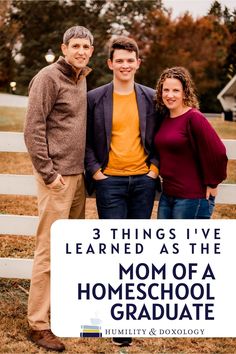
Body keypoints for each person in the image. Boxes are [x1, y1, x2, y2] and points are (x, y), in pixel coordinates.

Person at [85, 36, 159, 345]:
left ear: (138, 63)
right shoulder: (95, 98)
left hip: (143, 181)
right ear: (110, 64)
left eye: (131, 60)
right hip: (110, 183)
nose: (125, 65)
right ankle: (115, 320)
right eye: (120, 60)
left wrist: (154, 168)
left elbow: (162, 137)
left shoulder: (152, 98)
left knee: (138, 250)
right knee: (115, 250)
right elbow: (85, 139)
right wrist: (96, 172)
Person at [24, 26, 94, 352]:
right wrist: (49, 174)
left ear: (91, 51)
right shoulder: (48, 78)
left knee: (71, 251)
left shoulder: (81, 79)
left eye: (86, 46)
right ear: (63, 48)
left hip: (77, 178)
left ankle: (60, 311)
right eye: (75, 45)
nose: (81, 51)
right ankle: (38, 324)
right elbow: (33, 129)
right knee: (49, 251)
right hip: (56, 180)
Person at [154, 66, 227, 219]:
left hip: (192, 197)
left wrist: (213, 183)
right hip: (167, 196)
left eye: (176, 91)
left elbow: (218, 152)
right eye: (166, 90)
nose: (170, 95)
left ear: (185, 92)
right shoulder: (165, 119)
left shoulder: (194, 118)